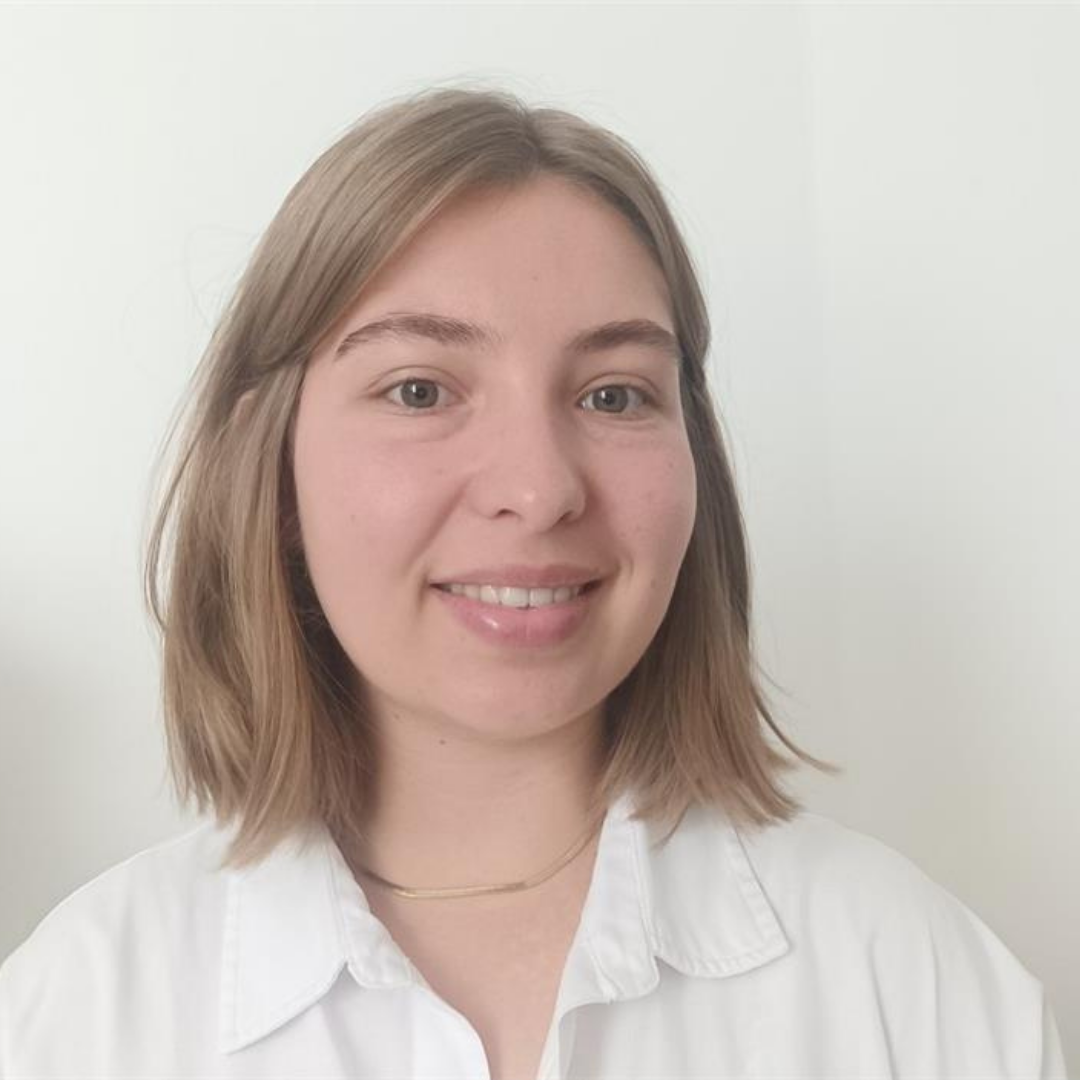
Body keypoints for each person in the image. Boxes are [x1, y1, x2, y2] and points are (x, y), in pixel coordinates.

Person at [0, 84, 1068, 1080]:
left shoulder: (913, 984)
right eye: (420, 388)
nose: (538, 487)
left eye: (613, 395)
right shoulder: (77, 1017)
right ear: (270, 473)